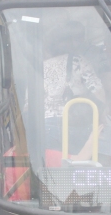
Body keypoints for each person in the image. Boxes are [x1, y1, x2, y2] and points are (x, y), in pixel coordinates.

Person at [43, 22, 107, 158]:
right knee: (77, 167)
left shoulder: (42, 67)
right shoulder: (78, 61)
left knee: (54, 167)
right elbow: (99, 92)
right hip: (73, 125)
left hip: (46, 126)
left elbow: (28, 104)